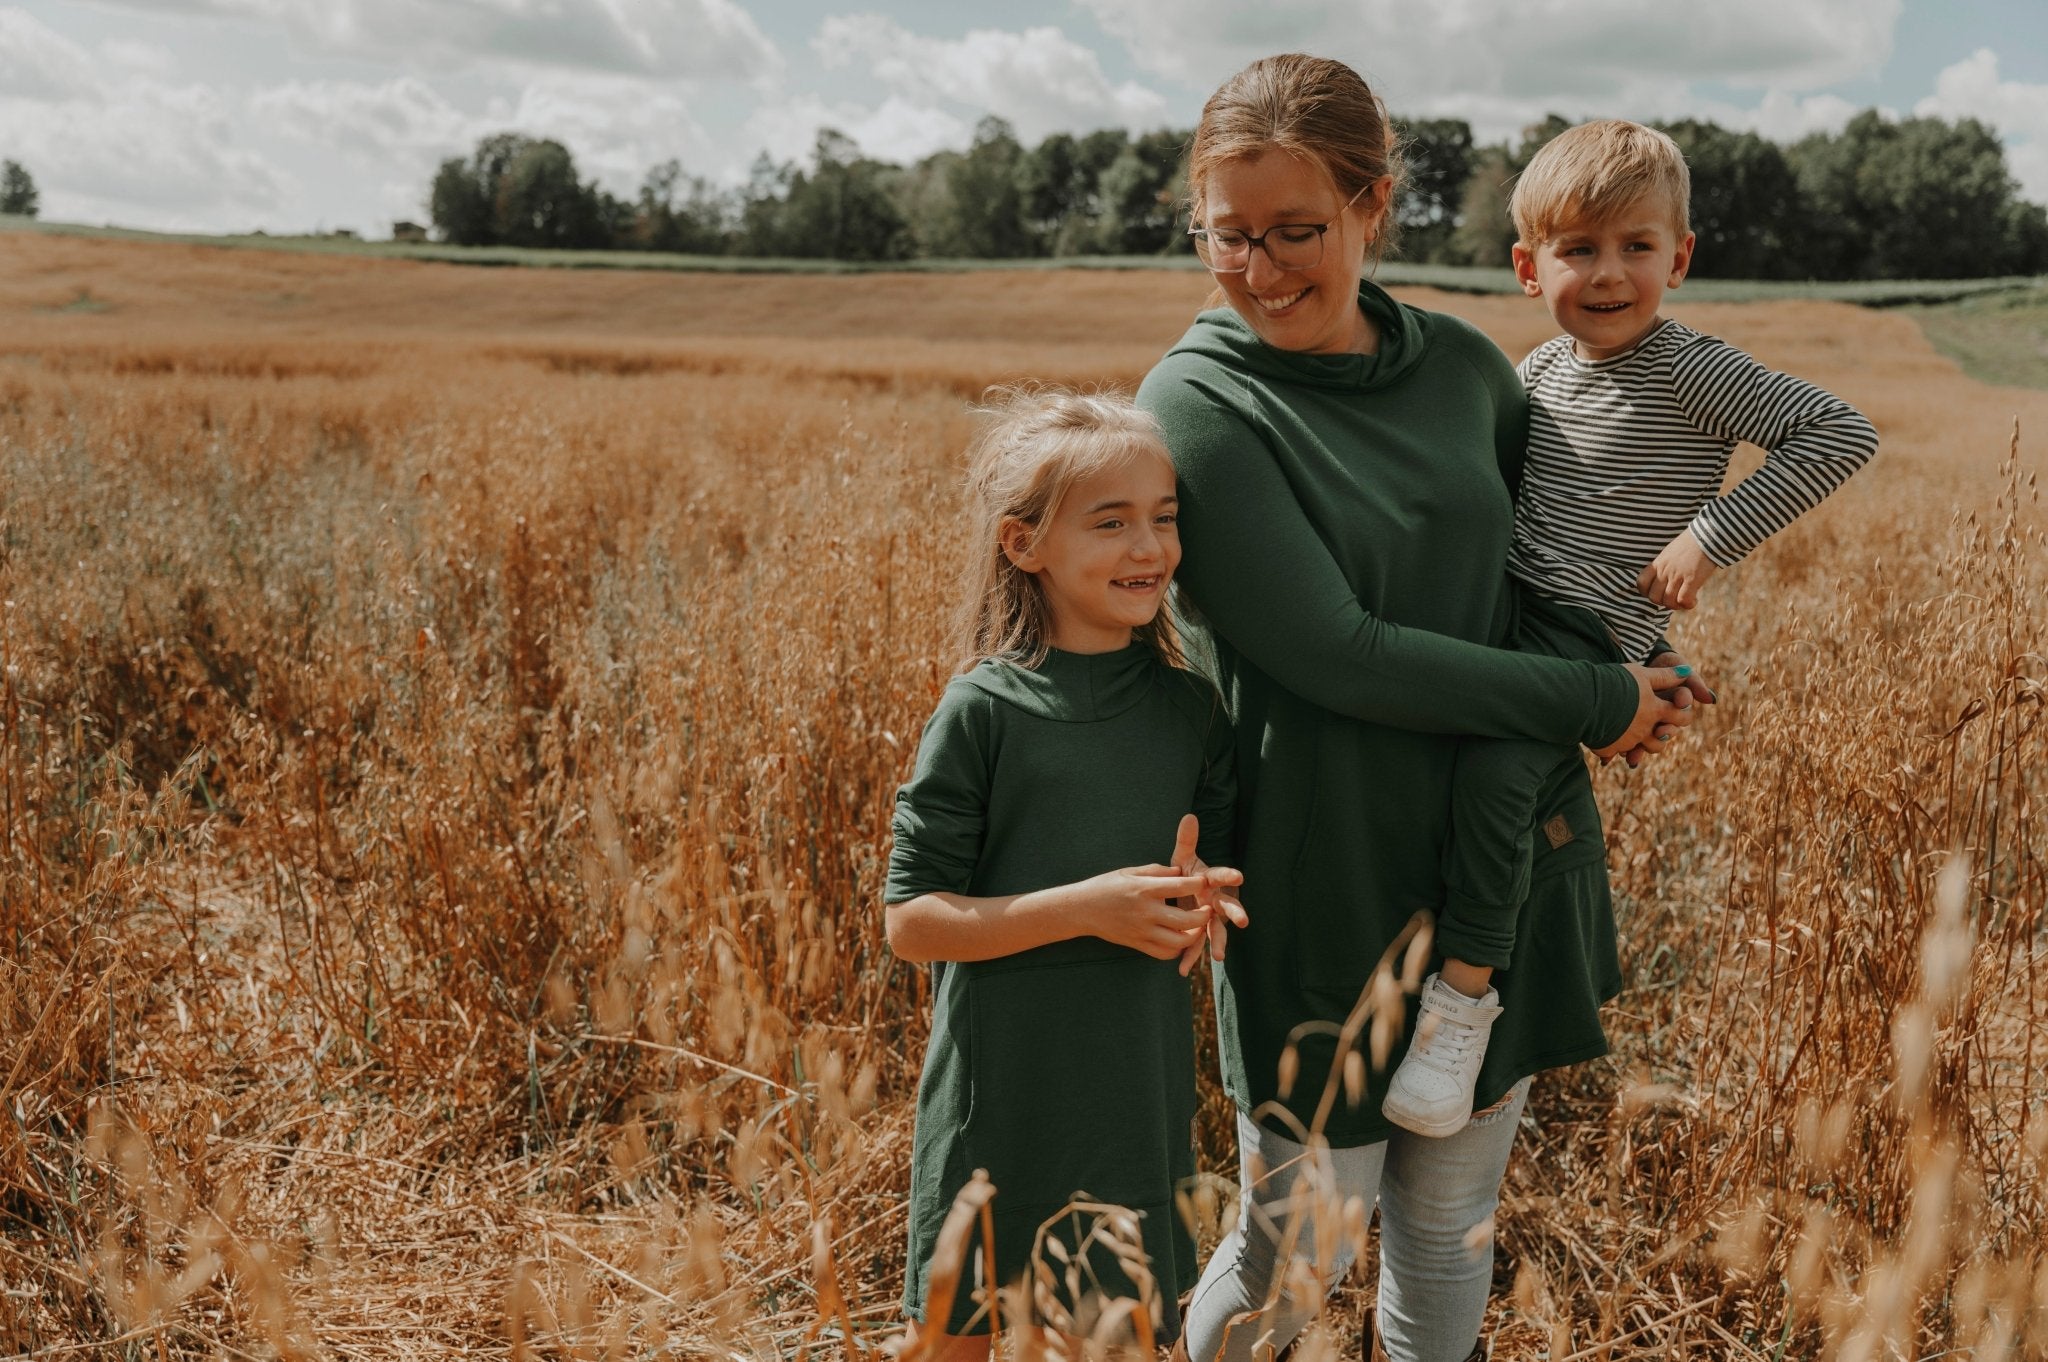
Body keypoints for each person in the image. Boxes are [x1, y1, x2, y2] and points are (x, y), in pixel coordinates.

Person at [1134, 55, 1702, 1362]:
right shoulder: (1201, 404)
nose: (1264, 269)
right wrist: (1596, 697)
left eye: (1299, 232)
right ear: (1197, 225)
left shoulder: (1461, 367)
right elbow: (1346, 655)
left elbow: (1552, 557)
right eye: (1232, 235)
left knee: (1448, 1234)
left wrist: (1642, 661)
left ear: (1373, 207)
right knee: (1292, 1248)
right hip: (1320, 870)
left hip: (1491, 860)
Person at [1380, 119, 1879, 1139]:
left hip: (1576, 631)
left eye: (1635, 248)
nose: (1608, 275)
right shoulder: (1537, 372)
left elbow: (1839, 431)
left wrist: (1705, 537)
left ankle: (1458, 1007)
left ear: (1678, 258)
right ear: (1528, 266)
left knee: (1495, 778)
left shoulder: (1685, 367)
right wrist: (1656, 654)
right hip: (1511, 611)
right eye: (1578, 250)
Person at [885, 389, 1251, 1360]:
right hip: (995, 1099)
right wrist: (1086, 909)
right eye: (1110, 521)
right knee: (953, 1342)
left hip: (1131, 1103)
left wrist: (1206, 898)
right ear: (1022, 544)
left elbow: (1215, 875)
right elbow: (912, 922)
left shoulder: (1189, 713)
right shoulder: (982, 711)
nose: (1149, 548)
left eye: (1163, 518)